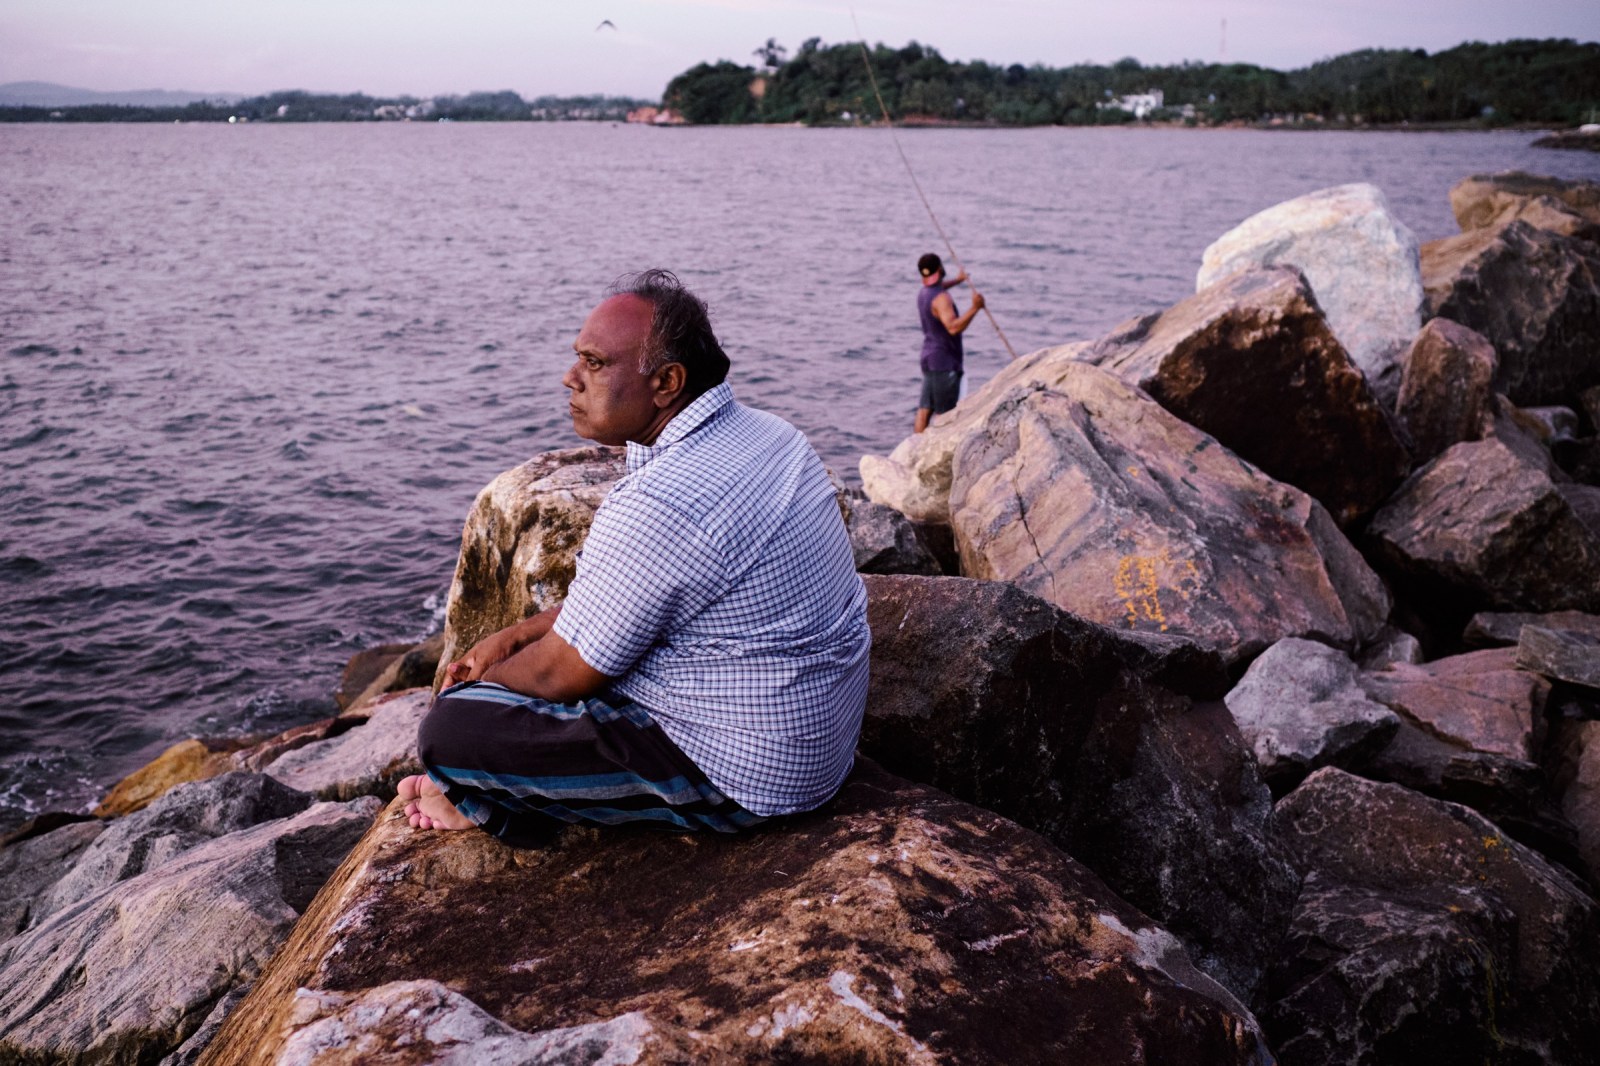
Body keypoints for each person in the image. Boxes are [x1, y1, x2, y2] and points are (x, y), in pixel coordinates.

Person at [400, 269, 871, 845]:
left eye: (595, 364)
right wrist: (519, 634)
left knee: (451, 730)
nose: (569, 378)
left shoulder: (661, 500)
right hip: (818, 733)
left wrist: (483, 686)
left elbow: (560, 673)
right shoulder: (772, 435)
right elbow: (633, 604)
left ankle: (478, 804)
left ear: (667, 382)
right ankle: (475, 787)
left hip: (749, 776)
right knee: (530, 686)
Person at [913, 252, 985, 434]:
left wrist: (958, 280)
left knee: (924, 410)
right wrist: (975, 308)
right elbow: (953, 327)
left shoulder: (924, 294)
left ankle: (913, 450)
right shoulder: (942, 299)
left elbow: (939, 287)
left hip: (929, 359)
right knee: (945, 414)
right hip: (945, 362)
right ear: (940, 269)